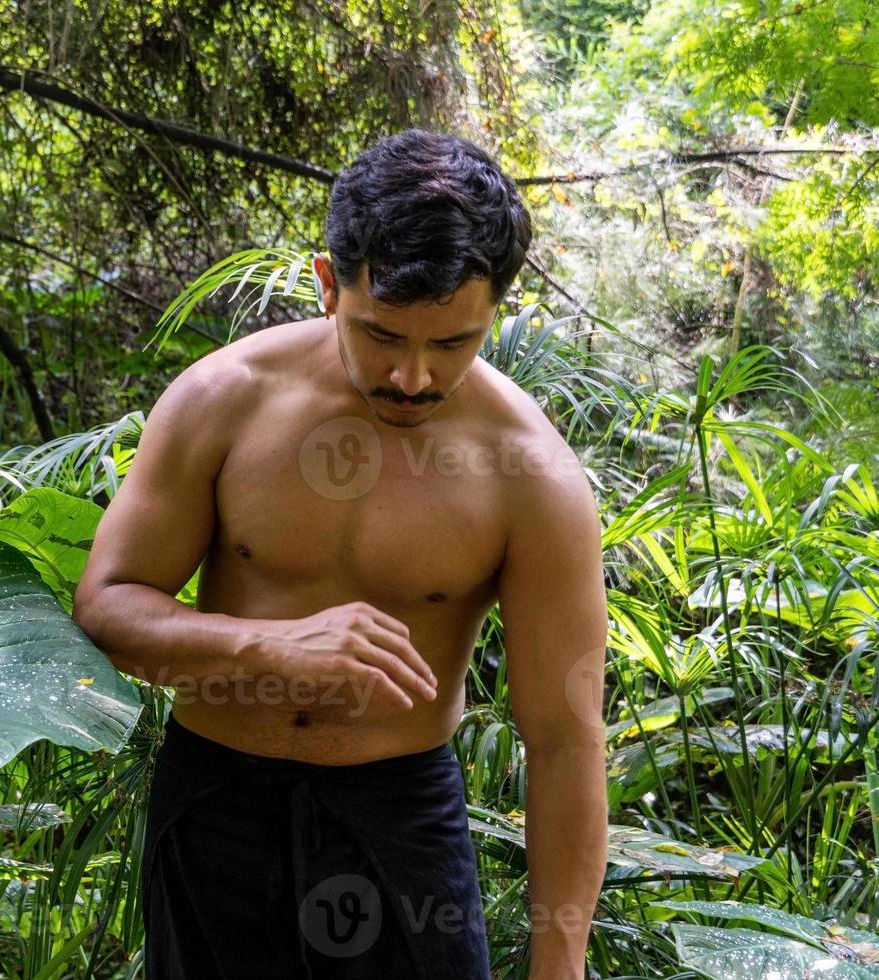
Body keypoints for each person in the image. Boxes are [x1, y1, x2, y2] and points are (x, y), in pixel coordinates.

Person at [71, 128, 609, 979]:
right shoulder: (224, 400)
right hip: (214, 801)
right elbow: (106, 606)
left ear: (496, 311)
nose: (414, 378)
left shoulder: (531, 474)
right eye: (384, 335)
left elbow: (565, 741)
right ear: (328, 285)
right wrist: (269, 645)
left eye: (453, 344)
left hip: (396, 815)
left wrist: (559, 965)